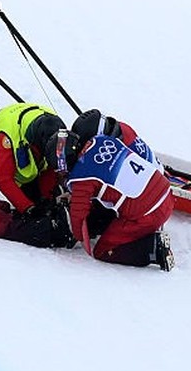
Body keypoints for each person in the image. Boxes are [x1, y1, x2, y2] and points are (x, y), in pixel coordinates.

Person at [52, 109, 175, 271]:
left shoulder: (81, 178)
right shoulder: (103, 140)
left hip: (150, 213)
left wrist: (74, 236)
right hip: (166, 193)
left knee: (103, 250)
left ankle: (152, 248)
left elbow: (78, 216)